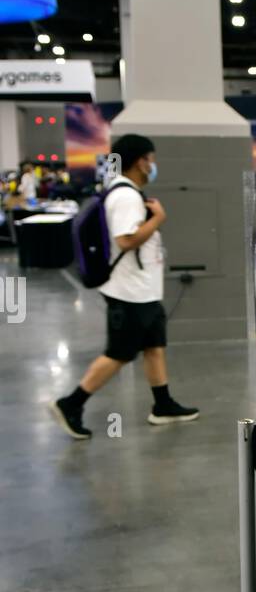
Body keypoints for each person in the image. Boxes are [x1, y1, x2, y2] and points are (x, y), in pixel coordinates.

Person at [50, 134, 199, 440]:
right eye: (150, 158)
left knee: (154, 347)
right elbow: (126, 240)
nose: (153, 164)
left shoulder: (128, 192)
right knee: (119, 354)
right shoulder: (126, 197)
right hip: (129, 293)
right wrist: (158, 219)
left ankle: (163, 404)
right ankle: (71, 404)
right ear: (139, 161)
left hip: (143, 291)